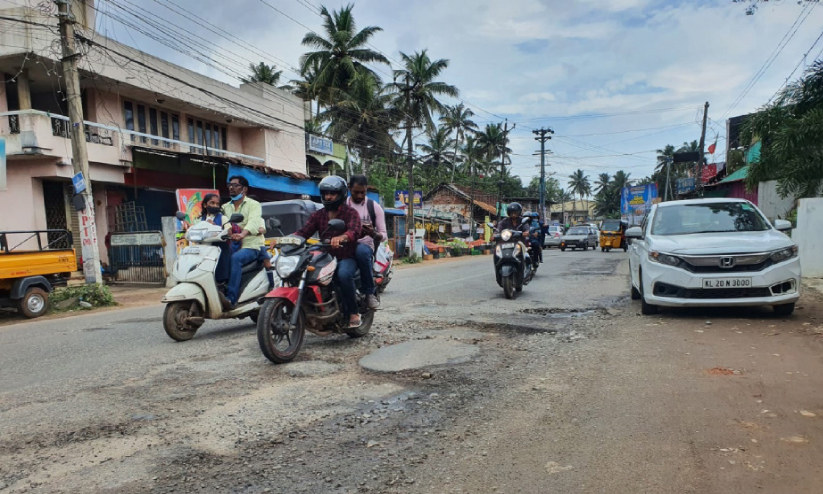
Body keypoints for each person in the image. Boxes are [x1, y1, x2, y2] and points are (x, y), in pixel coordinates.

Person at [293, 175, 363, 328]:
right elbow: (304, 231)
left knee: (343, 275)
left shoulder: (351, 213)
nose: (328, 197)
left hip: (345, 256)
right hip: (325, 254)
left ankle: (353, 312)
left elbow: (354, 231)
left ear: (341, 194)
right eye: (325, 193)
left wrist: (343, 237)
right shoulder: (319, 214)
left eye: (332, 193)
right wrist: (286, 240)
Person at [220, 176, 265, 310]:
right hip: (229, 245)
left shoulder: (254, 205)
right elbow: (219, 221)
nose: (231, 187)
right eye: (230, 184)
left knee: (235, 259)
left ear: (244, 189)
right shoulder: (224, 207)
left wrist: (242, 234)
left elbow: (253, 222)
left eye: (235, 185)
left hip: (250, 246)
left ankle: (231, 298)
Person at [346, 174, 385, 310]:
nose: (359, 196)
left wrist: (373, 233)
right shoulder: (343, 206)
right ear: (349, 188)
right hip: (345, 246)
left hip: (365, 246)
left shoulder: (374, 207)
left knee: (361, 251)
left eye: (363, 192)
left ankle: (369, 293)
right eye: (356, 192)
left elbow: (383, 235)